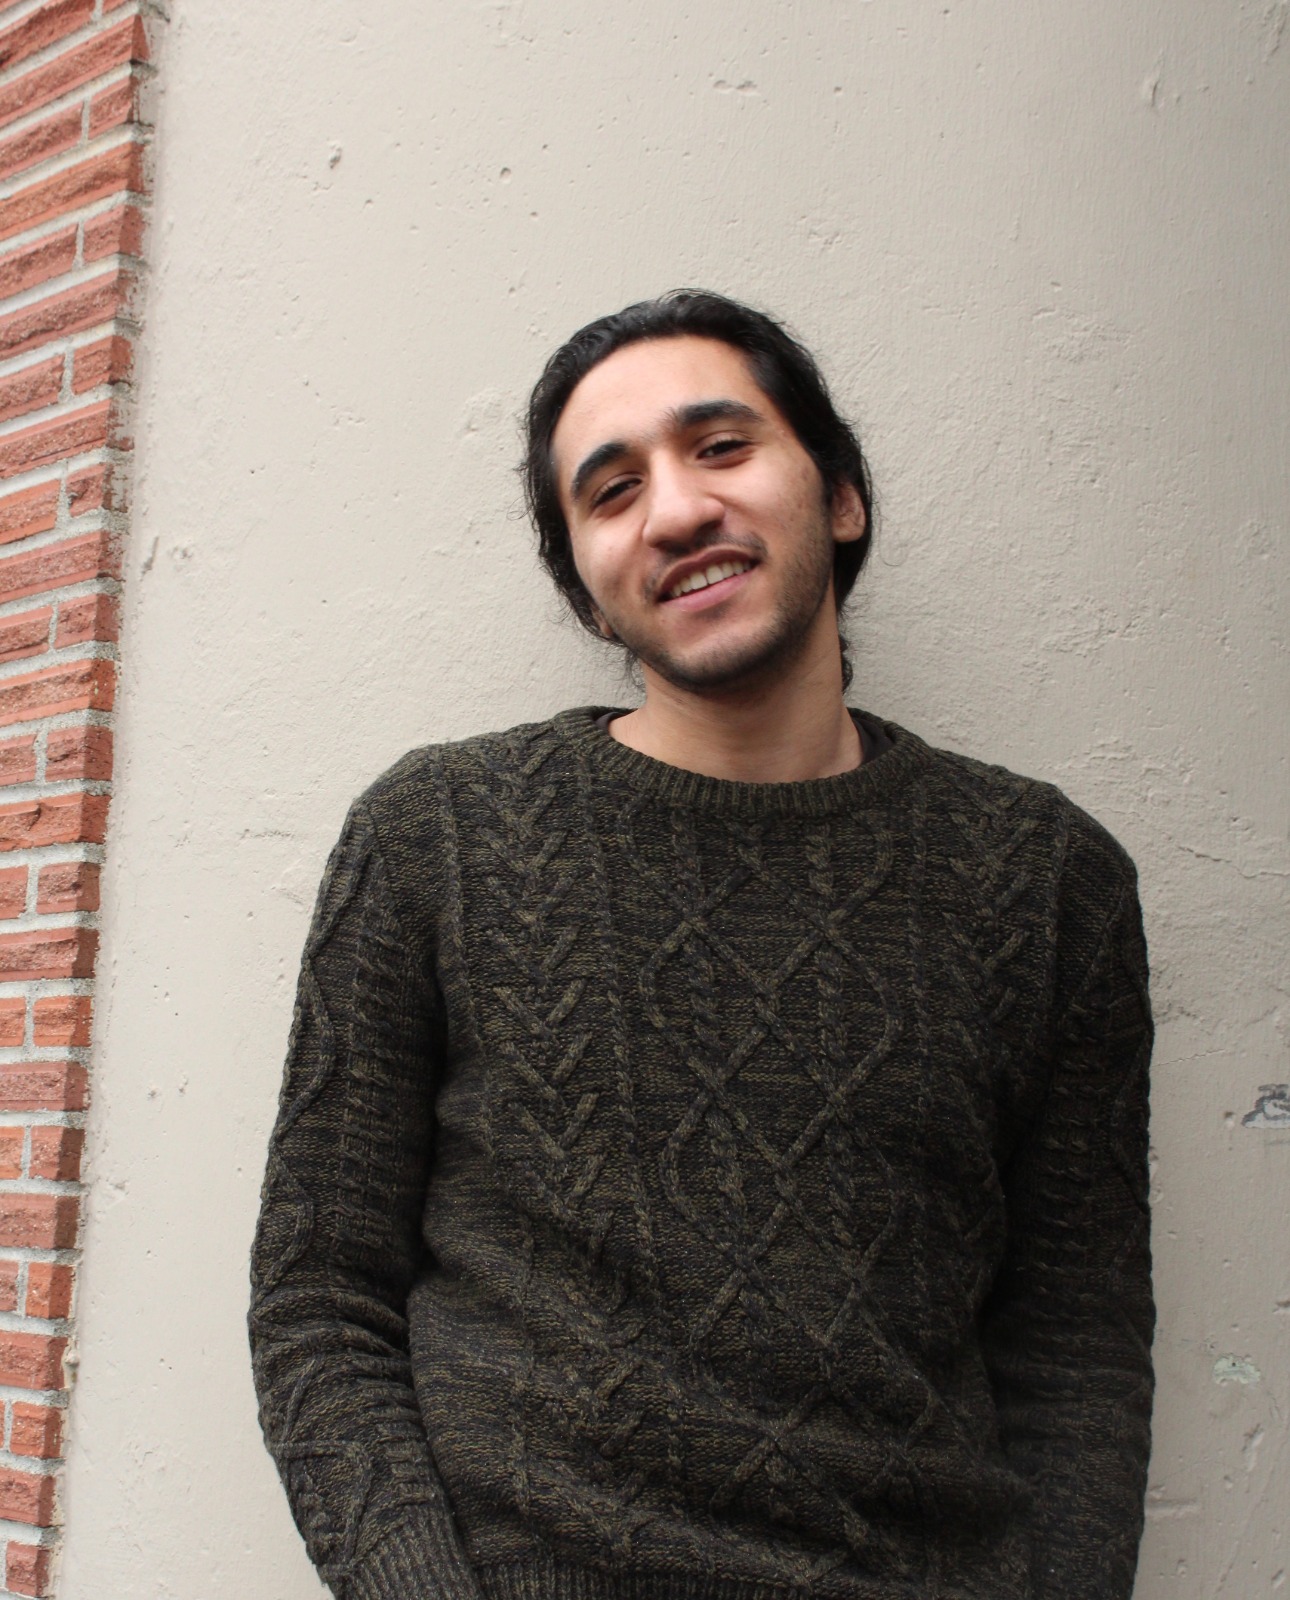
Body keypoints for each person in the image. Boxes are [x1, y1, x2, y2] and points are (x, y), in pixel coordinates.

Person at [249, 290, 1155, 1600]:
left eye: (720, 447)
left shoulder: (1048, 880)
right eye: (611, 491)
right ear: (585, 593)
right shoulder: (435, 835)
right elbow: (319, 1299)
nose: (674, 511)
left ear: (839, 495)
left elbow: (1076, 1352)